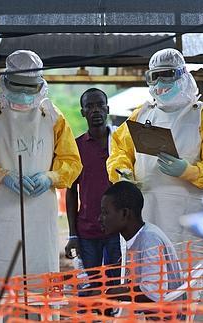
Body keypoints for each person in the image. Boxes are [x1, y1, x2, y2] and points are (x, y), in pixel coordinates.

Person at [0, 50, 82, 282]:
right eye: (17, 86)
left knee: (40, 280)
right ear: (5, 81)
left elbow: (71, 161)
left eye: (28, 87)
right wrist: (1, 175)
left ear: (40, 85)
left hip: (40, 213)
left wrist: (50, 177)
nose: (22, 93)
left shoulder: (52, 116)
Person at [107, 48, 203, 243]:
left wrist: (190, 171)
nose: (160, 84)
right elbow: (120, 150)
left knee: (188, 269)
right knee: (148, 269)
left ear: (183, 75)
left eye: (167, 75)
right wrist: (123, 173)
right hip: (146, 212)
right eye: (155, 77)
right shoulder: (141, 116)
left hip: (188, 217)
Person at [65, 88, 121, 271]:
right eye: (89, 106)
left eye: (100, 105)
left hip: (118, 229)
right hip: (87, 231)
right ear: (83, 112)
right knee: (91, 288)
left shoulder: (121, 144)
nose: (96, 110)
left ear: (108, 108)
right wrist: (73, 235)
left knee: (117, 287)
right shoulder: (76, 147)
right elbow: (71, 191)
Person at [99, 181, 183, 303]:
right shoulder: (136, 237)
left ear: (124, 213)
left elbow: (152, 292)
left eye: (105, 212)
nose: (100, 218)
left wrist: (106, 292)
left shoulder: (149, 239)